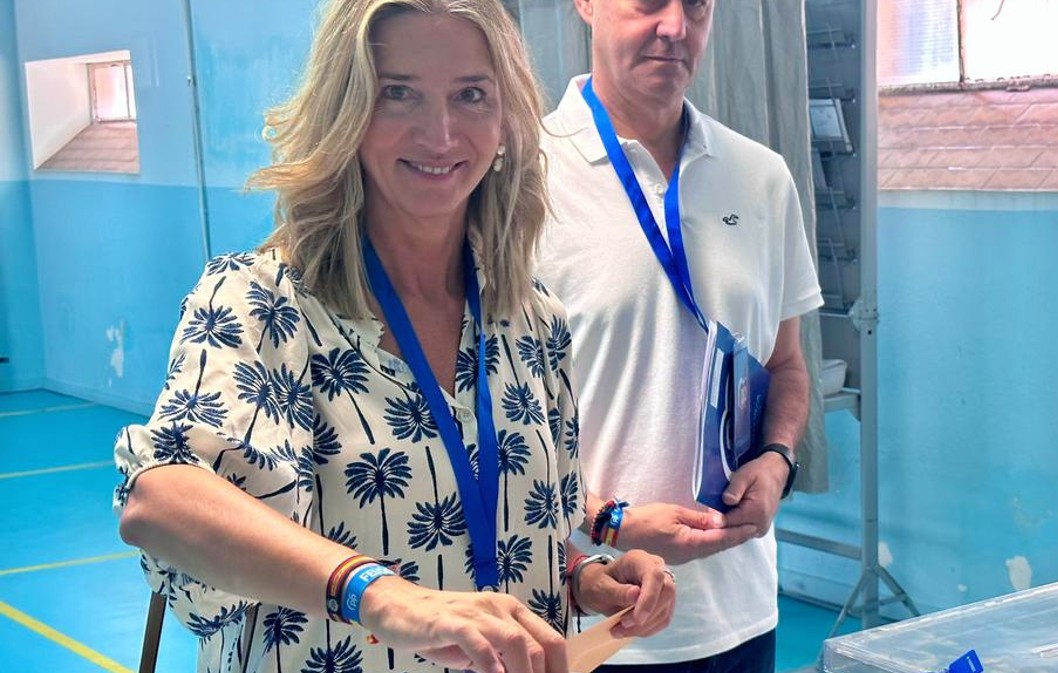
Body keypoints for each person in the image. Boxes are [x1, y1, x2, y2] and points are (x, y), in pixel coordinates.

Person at [113, 2, 675, 672]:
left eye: (471, 94)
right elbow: (161, 500)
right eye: (398, 93)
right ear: (346, 113)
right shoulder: (263, 302)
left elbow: (513, 532)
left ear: (505, 120)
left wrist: (585, 577)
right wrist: (379, 595)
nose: (440, 133)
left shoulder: (532, 320)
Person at [536, 0, 823, 671]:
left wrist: (778, 459)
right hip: (595, 621)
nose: (674, 27)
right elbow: (488, 424)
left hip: (742, 612)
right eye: (649, 2)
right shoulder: (519, 179)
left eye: (696, 5)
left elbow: (786, 363)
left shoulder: (761, 176)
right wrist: (609, 523)